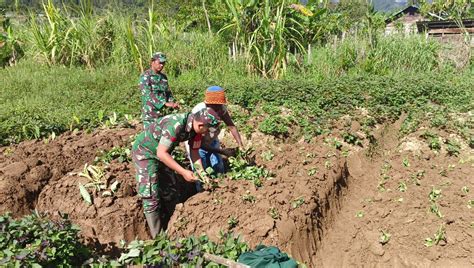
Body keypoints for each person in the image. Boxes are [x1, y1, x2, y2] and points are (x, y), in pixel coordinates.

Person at [132, 107, 220, 238]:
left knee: (171, 189)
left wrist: (202, 174)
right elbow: (161, 153)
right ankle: (158, 238)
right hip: (145, 152)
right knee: (150, 194)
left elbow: (195, 153)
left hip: (163, 153)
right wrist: (184, 171)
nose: (207, 133)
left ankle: (173, 226)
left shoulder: (197, 130)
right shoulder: (175, 125)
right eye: (207, 130)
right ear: (201, 125)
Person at [186, 86, 244, 174]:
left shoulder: (221, 109)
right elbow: (199, 143)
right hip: (196, 143)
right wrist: (222, 151)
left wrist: (240, 145)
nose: (218, 108)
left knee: (219, 167)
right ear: (208, 103)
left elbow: (231, 126)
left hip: (211, 140)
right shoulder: (199, 111)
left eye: (220, 105)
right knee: (201, 169)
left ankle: (221, 184)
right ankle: (203, 187)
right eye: (215, 106)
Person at [138, 52, 180, 128]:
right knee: (150, 138)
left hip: (163, 115)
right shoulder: (146, 76)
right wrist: (164, 103)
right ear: (152, 62)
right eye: (159, 63)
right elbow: (147, 94)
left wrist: (172, 103)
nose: (162, 65)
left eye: (163, 63)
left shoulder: (163, 77)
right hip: (150, 115)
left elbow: (168, 93)